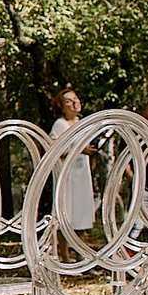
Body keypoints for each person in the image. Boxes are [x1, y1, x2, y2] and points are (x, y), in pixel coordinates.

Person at [50, 88, 98, 236]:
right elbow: (55, 151)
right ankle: (64, 255)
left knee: (81, 215)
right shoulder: (60, 125)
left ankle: (80, 253)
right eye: (68, 101)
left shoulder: (81, 124)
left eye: (75, 99)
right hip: (68, 178)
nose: (74, 103)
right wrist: (78, 151)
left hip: (82, 176)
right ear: (61, 106)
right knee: (67, 214)